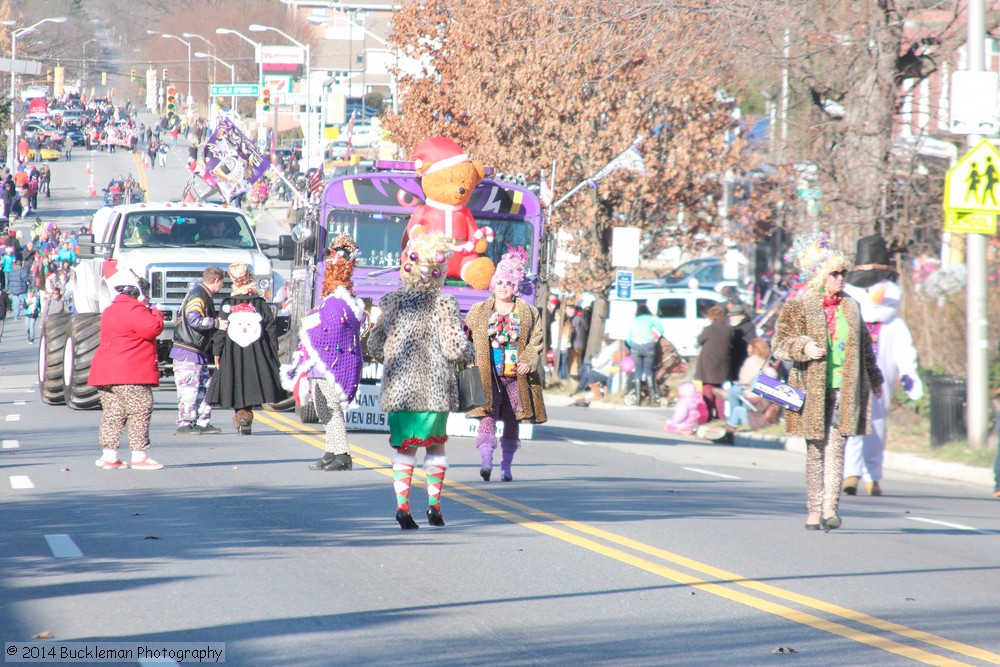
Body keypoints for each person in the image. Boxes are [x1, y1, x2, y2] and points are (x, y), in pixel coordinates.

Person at [771, 232, 883, 532]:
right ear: (820, 275)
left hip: (844, 387)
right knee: (816, 450)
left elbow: (864, 345)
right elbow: (779, 343)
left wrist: (875, 378)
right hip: (811, 388)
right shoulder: (799, 305)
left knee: (837, 449)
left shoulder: (851, 305)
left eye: (843, 273)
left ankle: (830, 509)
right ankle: (812, 510)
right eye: (834, 273)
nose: (840, 278)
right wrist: (804, 347)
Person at [367, 232, 475, 529]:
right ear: (440, 271)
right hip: (434, 389)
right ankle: (434, 508)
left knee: (405, 448)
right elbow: (455, 347)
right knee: (435, 447)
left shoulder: (391, 301)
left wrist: (390, 354)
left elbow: (374, 345)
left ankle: (402, 508)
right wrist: (473, 351)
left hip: (399, 391)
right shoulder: (445, 303)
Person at [841, 234, 923, 496]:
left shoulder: (893, 324)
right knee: (851, 421)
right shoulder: (851, 317)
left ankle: (872, 475)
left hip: (882, 377)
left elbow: (905, 349)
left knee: (876, 424)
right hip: (851, 373)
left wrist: (910, 373)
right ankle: (850, 473)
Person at [281, 234, 366, 470]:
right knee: (322, 408)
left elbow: (330, 331)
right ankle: (331, 450)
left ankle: (342, 455)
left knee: (331, 407)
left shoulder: (340, 302)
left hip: (332, 365)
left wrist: (307, 329)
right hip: (320, 364)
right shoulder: (330, 300)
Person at [466, 247, 547, 482]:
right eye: (499, 281)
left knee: (513, 421)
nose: (503, 286)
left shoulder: (528, 312)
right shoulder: (478, 311)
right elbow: (468, 338)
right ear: (492, 285)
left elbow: (536, 341)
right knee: (487, 417)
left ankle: (506, 467)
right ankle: (486, 462)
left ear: (516, 287)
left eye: (508, 283)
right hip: (488, 375)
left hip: (515, 376)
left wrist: (528, 360)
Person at [87, 271, 165, 469]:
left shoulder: (110, 310)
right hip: (129, 370)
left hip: (105, 371)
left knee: (113, 412)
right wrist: (153, 308)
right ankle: (139, 455)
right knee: (140, 408)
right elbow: (153, 328)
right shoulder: (136, 311)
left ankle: (109, 455)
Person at [207, 263, 284, 435]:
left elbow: (222, 329)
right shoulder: (260, 303)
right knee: (253, 381)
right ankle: (246, 416)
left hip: (232, 351)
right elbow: (271, 327)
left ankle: (241, 414)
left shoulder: (227, 304)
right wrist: (273, 348)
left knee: (235, 381)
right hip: (257, 350)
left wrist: (217, 351)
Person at [169, 266, 227, 435]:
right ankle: (185, 423)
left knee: (205, 387)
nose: (222, 287)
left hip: (197, 351)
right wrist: (216, 323)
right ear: (216, 281)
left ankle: (202, 421)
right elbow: (194, 319)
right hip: (187, 350)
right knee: (189, 388)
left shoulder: (201, 294)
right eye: (222, 283)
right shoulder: (198, 295)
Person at [712, 337, 778, 444]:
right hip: (763, 393)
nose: (748, 349)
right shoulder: (766, 361)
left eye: (749, 347)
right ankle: (729, 399)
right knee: (735, 391)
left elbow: (745, 379)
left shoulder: (752, 360)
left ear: (755, 348)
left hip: (752, 393)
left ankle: (729, 428)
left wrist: (740, 383)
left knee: (734, 392)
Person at [694, 305, 732, 421]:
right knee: (719, 391)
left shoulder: (708, 329)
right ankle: (720, 416)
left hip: (708, 363)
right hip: (722, 364)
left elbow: (700, 340)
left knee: (707, 389)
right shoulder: (729, 330)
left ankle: (709, 415)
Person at [625, 303, 664, 405]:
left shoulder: (634, 321)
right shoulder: (650, 318)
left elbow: (628, 338)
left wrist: (633, 344)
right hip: (648, 345)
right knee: (648, 371)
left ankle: (637, 399)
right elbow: (661, 330)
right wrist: (655, 339)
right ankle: (652, 398)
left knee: (638, 370)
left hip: (636, 346)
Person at [727, 303, 758, 382]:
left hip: (741, 361)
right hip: (733, 361)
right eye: (730, 316)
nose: (731, 318)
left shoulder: (748, 326)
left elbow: (751, 343)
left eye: (733, 316)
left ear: (741, 316)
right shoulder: (734, 326)